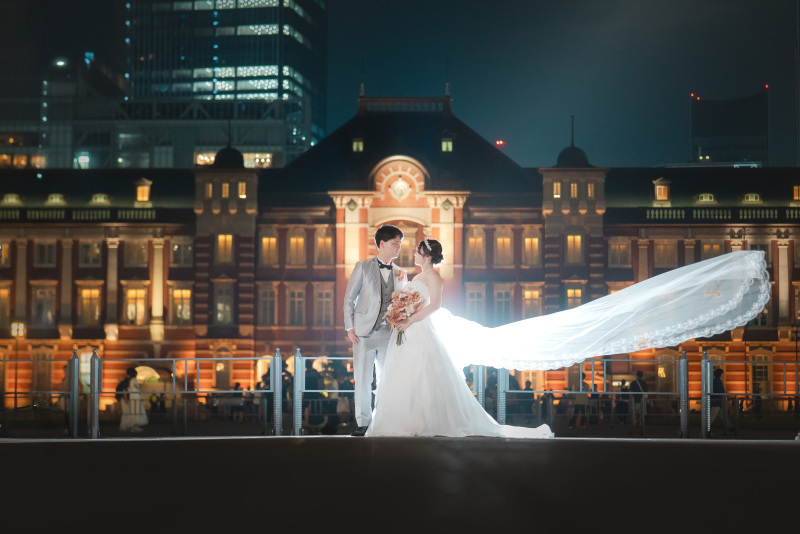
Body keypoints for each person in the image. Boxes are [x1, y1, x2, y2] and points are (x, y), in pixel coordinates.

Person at [366, 248, 769, 438]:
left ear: (428, 257)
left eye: (418, 249)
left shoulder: (432, 278)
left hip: (419, 328)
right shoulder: (412, 274)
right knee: (418, 377)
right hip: (411, 332)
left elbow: (433, 305)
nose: (413, 253)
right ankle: (408, 422)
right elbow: (403, 292)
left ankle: (422, 422)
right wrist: (400, 307)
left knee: (428, 376)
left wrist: (407, 315)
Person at [343, 224, 406, 436]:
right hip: (363, 333)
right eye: (395, 243)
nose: (399, 247)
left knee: (388, 378)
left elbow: (403, 303)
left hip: (389, 334)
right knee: (362, 379)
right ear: (382, 243)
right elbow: (349, 299)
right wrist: (349, 327)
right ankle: (363, 423)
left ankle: (384, 421)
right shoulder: (362, 267)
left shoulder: (400, 273)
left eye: (400, 243)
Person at [119, 367, 148, 432]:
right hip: (136, 397)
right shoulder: (134, 380)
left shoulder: (129, 380)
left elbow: (130, 389)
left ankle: (133, 426)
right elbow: (136, 389)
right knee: (137, 412)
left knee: (133, 412)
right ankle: (135, 426)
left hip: (132, 397)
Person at [710, 368, 735, 435]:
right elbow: (721, 391)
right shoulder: (718, 381)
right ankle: (706, 428)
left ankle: (730, 426)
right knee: (713, 416)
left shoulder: (714, 381)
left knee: (721, 416)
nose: (723, 375)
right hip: (717, 402)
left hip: (715, 401)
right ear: (720, 375)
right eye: (722, 374)